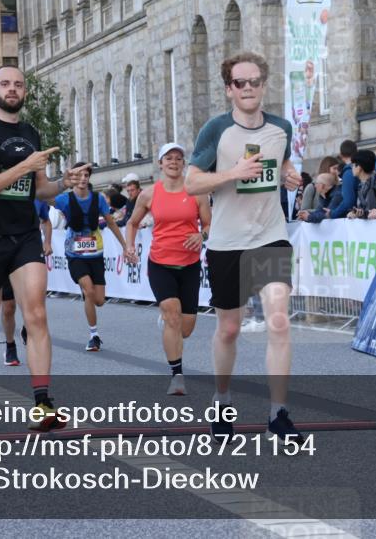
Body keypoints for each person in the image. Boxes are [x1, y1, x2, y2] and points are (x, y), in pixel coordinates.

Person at [184, 50, 306, 443]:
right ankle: (221, 402)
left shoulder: (281, 127)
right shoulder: (216, 130)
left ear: (263, 85)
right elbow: (191, 183)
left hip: (271, 236)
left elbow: (283, 162)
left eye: (255, 81)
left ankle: (278, 414)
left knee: (279, 321)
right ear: (229, 89)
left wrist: (290, 176)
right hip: (227, 242)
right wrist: (233, 174)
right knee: (230, 329)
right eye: (241, 83)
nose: (249, 88)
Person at [0, 65, 88, 431]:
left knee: (36, 314)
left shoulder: (30, 132)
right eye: (5, 84)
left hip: (24, 236)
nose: (11, 89)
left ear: (25, 92)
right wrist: (24, 167)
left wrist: (64, 181)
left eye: (18, 84)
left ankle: (43, 402)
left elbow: (40, 189)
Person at [126, 143, 212, 395]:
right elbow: (132, 223)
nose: (174, 162)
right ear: (160, 164)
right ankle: (177, 376)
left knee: (185, 328)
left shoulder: (197, 192)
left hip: (189, 264)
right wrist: (129, 246)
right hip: (160, 263)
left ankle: (169, 324)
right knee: (172, 313)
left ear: (183, 164)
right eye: (169, 158)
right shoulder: (149, 194)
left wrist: (201, 236)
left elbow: (208, 224)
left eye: (178, 158)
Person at [53, 162, 128, 351]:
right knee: (88, 290)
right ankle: (94, 335)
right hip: (75, 254)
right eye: (79, 175)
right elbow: (44, 197)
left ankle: (89, 298)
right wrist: (61, 182)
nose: (83, 178)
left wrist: (125, 246)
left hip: (96, 253)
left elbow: (111, 223)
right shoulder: (64, 199)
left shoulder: (98, 199)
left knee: (99, 300)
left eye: (86, 175)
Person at [1, 201, 51, 366]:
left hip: (29, 254)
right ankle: (10, 346)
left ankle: (26, 328)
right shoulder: (0, 191)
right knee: (8, 307)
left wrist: (47, 242)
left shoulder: (36, 196)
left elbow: (46, 220)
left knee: (31, 303)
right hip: (4, 254)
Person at [346, 150, 376, 218]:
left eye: (353, 165)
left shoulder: (374, 183)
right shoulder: (363, 183)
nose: (351, 168)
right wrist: (355, 213)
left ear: (359, 167)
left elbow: (370, 211)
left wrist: (358, 214)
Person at [328, 140, 360, 220]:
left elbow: (348, 201)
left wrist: (333, 213)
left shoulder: (348, 173)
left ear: (341, 155)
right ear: (356, 152)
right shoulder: (362, 167)